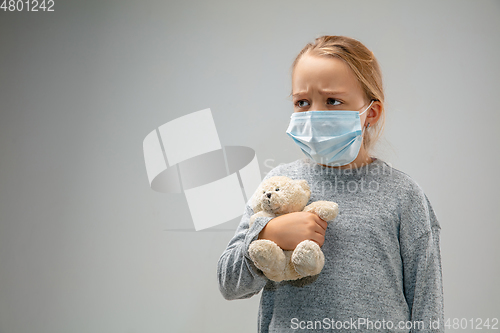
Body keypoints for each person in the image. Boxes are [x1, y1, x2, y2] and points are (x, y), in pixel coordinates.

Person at [217, 35, 444, 333]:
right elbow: (229, 282)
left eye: (333, 101)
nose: (313, 115)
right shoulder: (277, 188)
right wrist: (268, 233)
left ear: (370, 114)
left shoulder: (404, 196)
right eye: (302, 102)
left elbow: (428, 307)